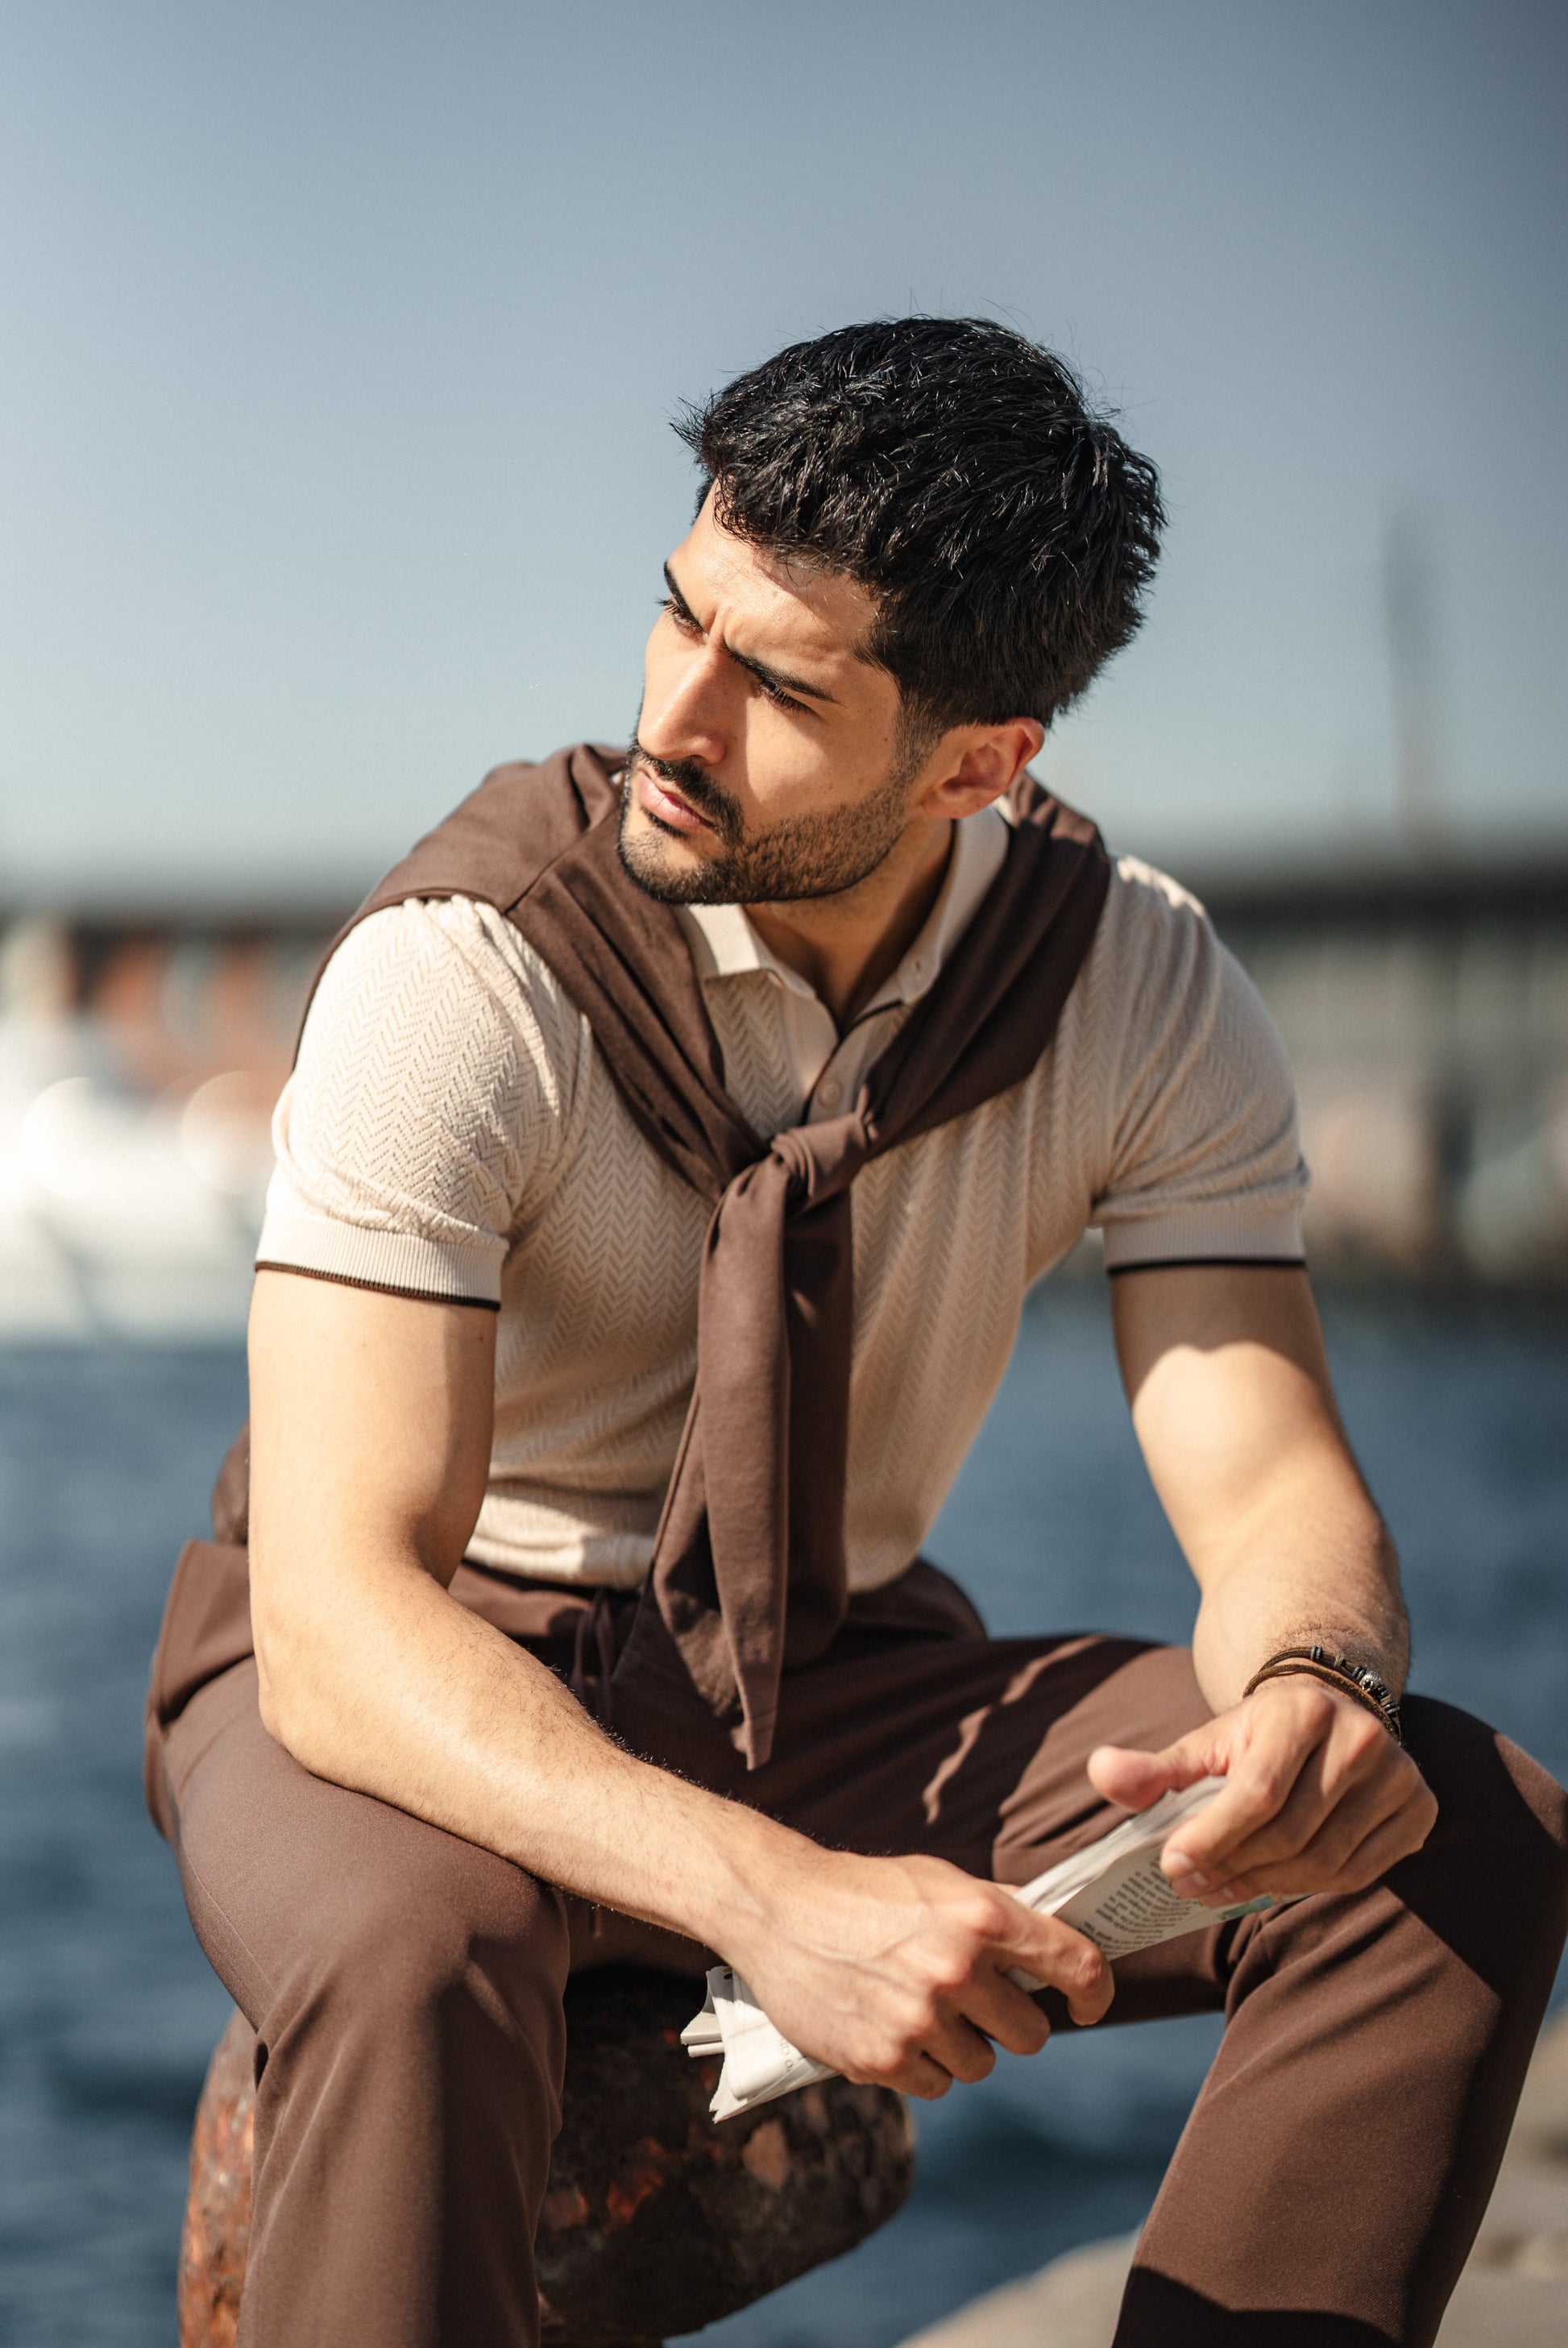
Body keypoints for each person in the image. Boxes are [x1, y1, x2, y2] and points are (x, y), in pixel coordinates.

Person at [146, 317, 1566, 2348]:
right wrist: (767, 1897)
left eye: (782, 684)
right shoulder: (459, 976)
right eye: (677, 612)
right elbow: (345, 1622)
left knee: (1447, 1825)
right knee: (421, 1950)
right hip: (415, 1674)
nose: (679, 712)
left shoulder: (1134, 985)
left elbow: (1258, 1466)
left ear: (984, 760)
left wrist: (1306, 1679)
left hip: (821, 1674)